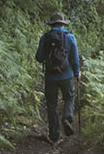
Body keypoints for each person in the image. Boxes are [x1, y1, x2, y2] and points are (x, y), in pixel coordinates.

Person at [34, 12, 81, 143]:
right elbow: (75, 59)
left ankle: (54, 135)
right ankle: (67, 117)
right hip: (67, 75)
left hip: (50, 77)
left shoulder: (45, 37)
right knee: (69, 97)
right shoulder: (70, 37)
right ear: (62, 24)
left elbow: (38, 58)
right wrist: (77, 73)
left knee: (51, 104)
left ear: (52, 24)